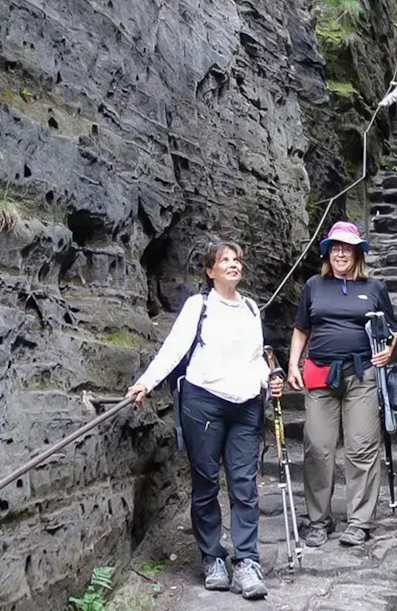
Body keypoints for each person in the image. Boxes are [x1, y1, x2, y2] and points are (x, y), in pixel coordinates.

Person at [127, 241, 283, 600]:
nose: (233, 265)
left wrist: (269, 378)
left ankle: (246, 561)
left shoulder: (250, 308)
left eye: (237, 260)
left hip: (245, 406)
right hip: (203, 403)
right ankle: (213, 557)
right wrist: (146, 382)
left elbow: (255, 358)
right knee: (206, 481)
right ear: (210, 271)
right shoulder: (199, 306)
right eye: (224, 260)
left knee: (244, 484)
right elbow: (175, 348)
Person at [286, 222, 397, 548]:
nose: (339, 252)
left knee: (362, 446)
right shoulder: (314, 285)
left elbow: (392, 329)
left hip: (361, 375)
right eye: (335, 247)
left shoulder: (374, 288)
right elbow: (301, 329)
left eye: (346, 247)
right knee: (318, 448)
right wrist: (294, 364)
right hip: (320, 374)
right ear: (327, 253)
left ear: (357, 253)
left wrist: (387, 353)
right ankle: (319, 521)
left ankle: (360, 522)